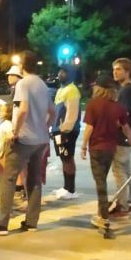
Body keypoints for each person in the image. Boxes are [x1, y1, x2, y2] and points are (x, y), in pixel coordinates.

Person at [0, 51, 54, 236]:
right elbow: (52, 112)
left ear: (22, 65)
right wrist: (44, 127)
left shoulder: (23, 83)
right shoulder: (42, 84)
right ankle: (31, 221)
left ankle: (1, 223)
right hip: (40, 140)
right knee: (34, 179)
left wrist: (15, 131)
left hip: (24, 139)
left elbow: (23, 109)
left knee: (9, 177)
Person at [80, 74, 131, 228]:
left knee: (100, 183)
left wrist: (83, 146)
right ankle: (101, 213)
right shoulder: (118, 106)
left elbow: (89, 128)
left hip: (96, 148)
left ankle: (104, 217)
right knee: (103, 180)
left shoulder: (93, 105)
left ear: (99, 88)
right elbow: (126, 128)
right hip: (111, 148)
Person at [110, 57, 131, 217]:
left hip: (121, 137)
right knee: (127, 170)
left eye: (119, 69)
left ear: (127, 72)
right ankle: (128, 202)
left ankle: (122, 205)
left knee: (119, 171)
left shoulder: (126, 91)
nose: (115, 72)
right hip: (128, 136)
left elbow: (122, 117)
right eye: (114, 69)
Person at [51, 65, 81, 199]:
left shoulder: (72, 90)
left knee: (68, 158)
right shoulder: (61, 90)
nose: (60, 73)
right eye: (60, 71)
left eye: (64, 72)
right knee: (63, 158)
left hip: (67, 131)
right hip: (58, 130)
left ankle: (71, 190)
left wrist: (64, 131)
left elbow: (72, 114)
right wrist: (53, 128)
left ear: (71, 75)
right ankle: (66, 187)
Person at [5, 64, 27, 205]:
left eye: (11, 75)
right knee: (20, 163)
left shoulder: (20, 88)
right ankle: (20, 188)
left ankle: (23, 191)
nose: (9, 77)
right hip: (19, 130)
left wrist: (16, 130)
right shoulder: (16, 89)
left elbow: (21, 111)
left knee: (21, 163)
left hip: (21, 132)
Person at [0, 100, 14, 178]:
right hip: (10, 156)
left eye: (2, 111)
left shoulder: (4, 126)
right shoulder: (12, 124)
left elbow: (0, 145)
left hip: (3, 156)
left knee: (4, 179)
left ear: (8, 113)